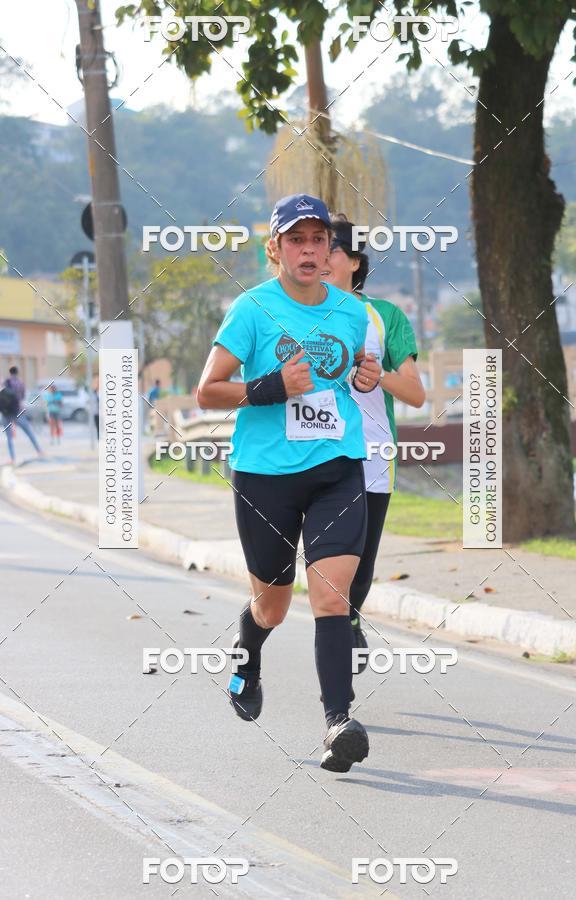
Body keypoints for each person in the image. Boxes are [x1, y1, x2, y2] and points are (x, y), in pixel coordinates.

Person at [197, 194, 382, 772]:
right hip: (265, 477)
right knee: (272, 607)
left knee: (331, 595)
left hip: (337, 468)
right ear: (275, 249)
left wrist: (365, 374)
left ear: (330, 251)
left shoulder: (352, 312)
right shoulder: (251, 309)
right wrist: (272, 387)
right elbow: (207, 391)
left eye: (317, 239)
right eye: (295, 240)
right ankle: (247, 652)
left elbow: (351, 370)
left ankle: (338, 723)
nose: (308, 249)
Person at [322, 214, 426, 668]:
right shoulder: (291, 311)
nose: (320, 257)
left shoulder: (385, 317)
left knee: (359, 567)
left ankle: (348, 622)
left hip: (371, 456)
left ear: (355, 262)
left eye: (332, 249)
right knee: (324, 565)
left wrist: (377, 374)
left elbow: (416, 394)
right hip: (308, 455)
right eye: (314, 246)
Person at [0, 366, 44, 465]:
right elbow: (23, 396)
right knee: (28, 432)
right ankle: (39, 450)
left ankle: (12, 458)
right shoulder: (21, 383)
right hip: (18, 411)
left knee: (9, 437)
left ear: (10, 372)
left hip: (6, 413)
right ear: (17, 372)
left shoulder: (7, 382)